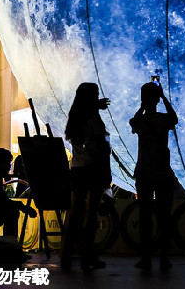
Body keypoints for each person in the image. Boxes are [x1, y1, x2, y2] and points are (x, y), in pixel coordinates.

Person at [129, 80, 179, 271]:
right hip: (163, 173)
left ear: (142, 98)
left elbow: (134, 122)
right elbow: (174, 118)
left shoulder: (140, 121)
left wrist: (142, 106)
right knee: (164, 217)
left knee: (145, 217)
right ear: (157, 99)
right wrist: (164, 97)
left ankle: (146, 257)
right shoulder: (164, 120)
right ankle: (164, 257)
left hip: (144, 173)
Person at [61, 82, 111, 270]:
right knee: (91, 214)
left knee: (74, 213)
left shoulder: (75, 116)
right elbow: (100, 146)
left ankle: (66, 254)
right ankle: (87, 255)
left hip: (77, 169)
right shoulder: (92, 118)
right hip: (93, 169)